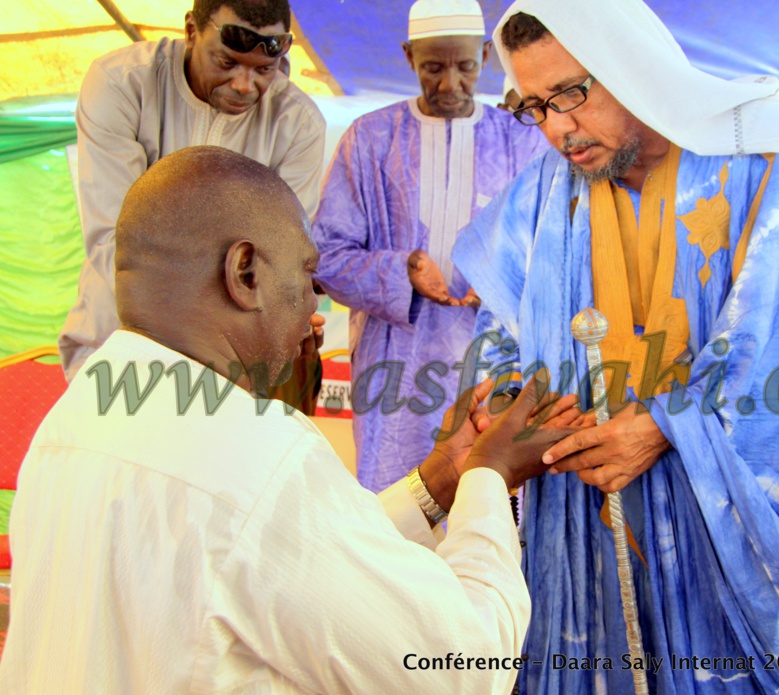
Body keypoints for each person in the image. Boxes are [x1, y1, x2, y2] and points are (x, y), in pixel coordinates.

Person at [0, 146, 581, 694]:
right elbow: (465, 665)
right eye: (307, 275)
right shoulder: (249, 450)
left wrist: (436, 487)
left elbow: (268, 560)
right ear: (245, 273)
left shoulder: (77, 418)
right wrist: (489, 476)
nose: (314, 307)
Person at [452, 1, 779, 693]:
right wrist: (511, 403)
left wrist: (666, 426)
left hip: (711, 534)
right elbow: (500, 327)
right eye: (534, 106)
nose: (557, 129)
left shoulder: (766, 160)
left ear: (631, 67)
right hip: (583, 526)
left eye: (573, 94)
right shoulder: (547, 189)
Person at [311, 0, 546, 492]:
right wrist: (403, 270)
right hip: (394, 365)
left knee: (488, 506)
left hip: (497, 365)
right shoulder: (370, 139)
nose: (449, 85)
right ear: (408, 56)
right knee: (395, 507)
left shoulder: (523, 141)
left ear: (485, 57)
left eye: (463, 67)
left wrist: (504, 281)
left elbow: (555, 249)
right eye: (432, 68)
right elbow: (324, 254)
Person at [58, 0, 326, 394]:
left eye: (264, 69)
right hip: (117, 349)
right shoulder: (122, 83)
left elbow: (277, 263)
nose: (244, 84)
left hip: (230, 374)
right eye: (226, 61)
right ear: (190, 31)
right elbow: (117, 247)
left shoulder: (298, 123)